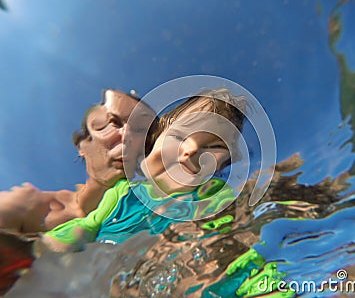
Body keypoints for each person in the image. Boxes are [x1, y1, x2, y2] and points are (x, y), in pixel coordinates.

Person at [42, 88, 247, 251]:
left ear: (224, 164)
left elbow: (224, 237)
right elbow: (86, 227)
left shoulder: (215, 194)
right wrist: (50, 247)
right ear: (153, 142)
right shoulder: (122, 193)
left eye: (215, 147)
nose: (192, 149)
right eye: (179, 137)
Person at [0, 89, 157, 233]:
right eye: (114, 122)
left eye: (140, 133)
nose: (128, 136)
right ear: (82, 145)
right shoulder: (29, 206)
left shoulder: (154, 212)